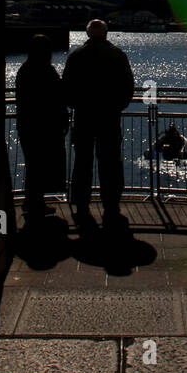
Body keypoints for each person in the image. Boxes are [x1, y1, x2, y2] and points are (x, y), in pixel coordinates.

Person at [62, 19, 134, 231]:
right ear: (106, 33)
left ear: (87, 34)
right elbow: (127, 86)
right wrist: (117, 106)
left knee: (82, 161)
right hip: (109, 118)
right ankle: (111, 204)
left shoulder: (76, 56)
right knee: (110, 162)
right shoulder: (117, 55)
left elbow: (66, 87)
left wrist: (76, 105)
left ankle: (81, 203)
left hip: (84, 117)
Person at [15, 34, 69, 222]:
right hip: (46, 126)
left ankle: (32, 201)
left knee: (33, 165)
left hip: (27, 124)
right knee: (40, 165)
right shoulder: (47, 71)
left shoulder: (24, 70)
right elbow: (58, 97)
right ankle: (35, 203)